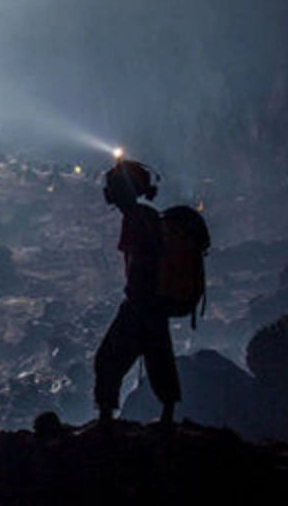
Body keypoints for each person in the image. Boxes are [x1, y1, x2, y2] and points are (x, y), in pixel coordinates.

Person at [93, 159, 181, 425]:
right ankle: (167, 418)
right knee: (159, 359)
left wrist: (137, 297)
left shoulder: (136, 219)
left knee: (107, 360)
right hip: (155, 304)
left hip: (141, 304)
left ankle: (106, 421)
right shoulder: (147, 216)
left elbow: (141, 261)